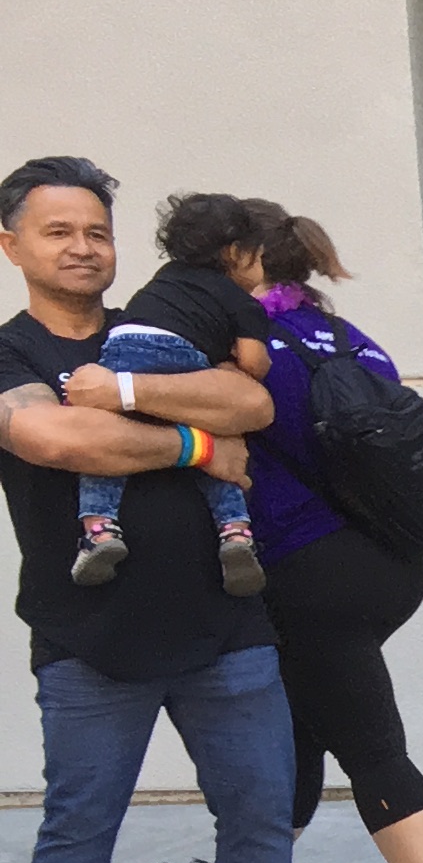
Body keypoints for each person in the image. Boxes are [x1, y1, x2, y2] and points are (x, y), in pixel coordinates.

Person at [4, 155, 353, 863]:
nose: (84, 247)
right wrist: (197, 441)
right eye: (59, 231)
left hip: (225, 621)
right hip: (89, 636)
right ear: (11, 245)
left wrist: (142, 409)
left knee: (258, 803)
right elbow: (53, 435)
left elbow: (253, 398)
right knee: (80, 818)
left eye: (97, 231)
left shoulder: (157, 322)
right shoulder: (11, 353)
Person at [145, 206, 423, 863]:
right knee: (301, 724)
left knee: (368, 744)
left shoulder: (245, 350)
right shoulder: (344, 336)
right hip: (389, 561)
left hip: (309, 570)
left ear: (242, 261)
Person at [74, 193, 270, 594]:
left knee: (108, 431)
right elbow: (252, 363)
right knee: (220, 430)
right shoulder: (240, 300)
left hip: (121, 346)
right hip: (181, 354)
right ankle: (235, 531)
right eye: (261, 258)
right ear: (235, 252)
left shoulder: (164, 279)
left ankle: (98, 527)